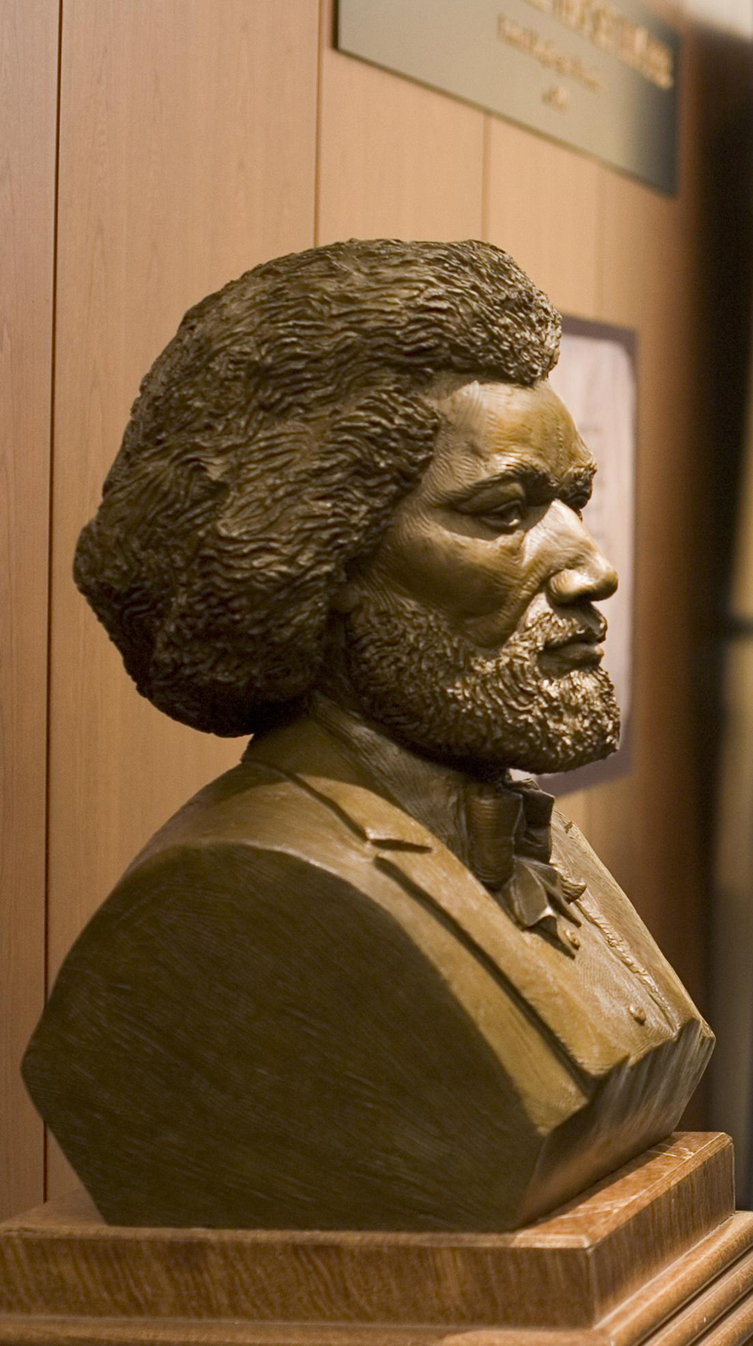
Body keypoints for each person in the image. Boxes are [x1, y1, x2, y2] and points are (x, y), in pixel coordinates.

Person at [27, 239, 712, 1231]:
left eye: (574, 502)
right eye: (502, 511)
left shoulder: (538, 841)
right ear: (313, 553)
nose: (589, 566)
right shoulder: (233, 902)